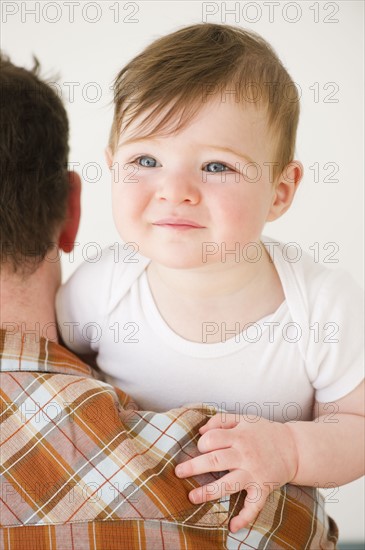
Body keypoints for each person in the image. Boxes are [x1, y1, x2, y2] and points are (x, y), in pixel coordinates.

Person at [0, 53, 338, 549]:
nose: (175, 192)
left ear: (281, 190)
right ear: (74, 208)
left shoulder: (320, 304)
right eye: (146, 161)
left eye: (217, 166)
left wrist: (290, 447)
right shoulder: (248, 507)